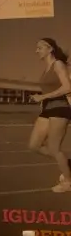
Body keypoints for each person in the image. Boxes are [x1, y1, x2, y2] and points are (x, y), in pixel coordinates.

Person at [28, 37, 71, 192]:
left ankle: (68, 182)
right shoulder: (46, 69)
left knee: (54, 148)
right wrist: (41, 99)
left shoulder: (58, 64)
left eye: (40, 48)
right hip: (47, 109)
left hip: (60, 108)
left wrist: (43, 97)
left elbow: (67, 87)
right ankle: (67, 164)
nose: (36, 51)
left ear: (50, 49)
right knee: (34, 146)